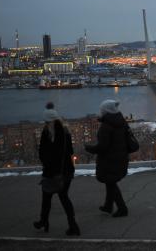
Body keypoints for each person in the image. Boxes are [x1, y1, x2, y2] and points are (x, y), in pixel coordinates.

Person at [34, 103, 80, 235]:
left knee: (47, 197)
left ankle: (44, 221)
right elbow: (70, 151)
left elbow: (43, 153)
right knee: (64, 197)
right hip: (67, 171)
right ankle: (73, 225)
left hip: (53, 173)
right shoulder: (66, 132)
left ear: (47, 121)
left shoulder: (47, 133)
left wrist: (48, 167)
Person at [85, 99, 129, 217]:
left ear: (106, 111)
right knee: (110, 181)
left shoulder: (106, 126)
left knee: (110, 182)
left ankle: (122, 208)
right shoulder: (122, 122)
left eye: (101, 110)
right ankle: (108, 206)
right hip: (121, 157)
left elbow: (102, 147)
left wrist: (89, 148)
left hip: (109, 159)